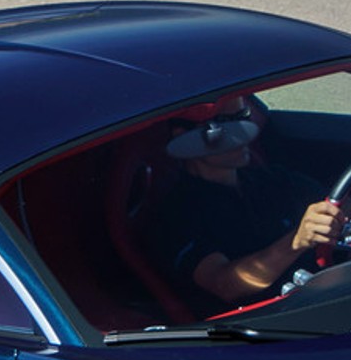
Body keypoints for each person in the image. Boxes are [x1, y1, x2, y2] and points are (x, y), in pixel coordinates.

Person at [144, 96, 340, 313]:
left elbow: (343, 205)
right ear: (184, 137)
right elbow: (225, 284)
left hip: (324, 296)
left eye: (243, 118)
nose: (243, 136)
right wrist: (296, 242)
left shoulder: (271, 179)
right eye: (224, 126)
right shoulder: (177, 215)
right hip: (264, 325)